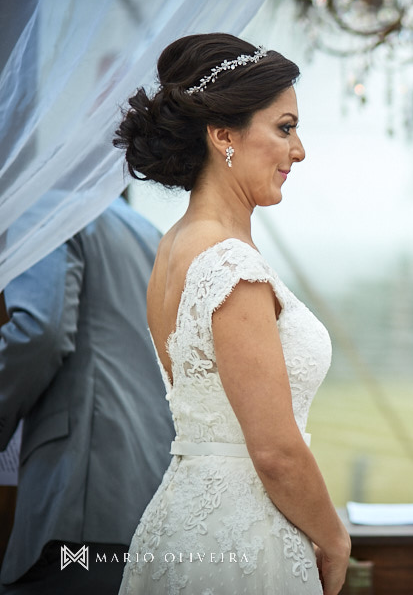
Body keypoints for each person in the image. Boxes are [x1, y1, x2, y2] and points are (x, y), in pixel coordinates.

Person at [113, 33, 350, 594]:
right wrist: (335, 540)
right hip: (245, 540)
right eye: (285, 128)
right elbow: (274, 451)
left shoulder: (174, 246)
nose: (299, 151)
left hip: (184, 514)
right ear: (223, 135)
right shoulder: (229, 264)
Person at [0, 196, 176, 594]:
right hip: (150, 491)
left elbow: (39, 333)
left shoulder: (45, 208)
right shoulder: (148, 232)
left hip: (79, 495)